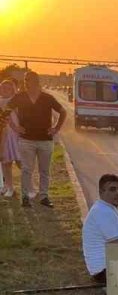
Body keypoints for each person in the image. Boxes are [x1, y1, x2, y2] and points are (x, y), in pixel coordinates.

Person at [10, 70, 66, 207]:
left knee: (44, 170)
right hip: (26, 140)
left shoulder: (47, 98)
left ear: (36, 81)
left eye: (29, 79)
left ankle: (44, 196)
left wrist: (56, 128)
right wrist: (15, 127)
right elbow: (5, 111)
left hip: (45, 140)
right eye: (25, 80)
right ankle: (25, 197)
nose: (26, 82)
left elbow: (63, 111)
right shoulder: (20, 97)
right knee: (26, 170)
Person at [0, 78, 20, 198]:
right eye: (3, 88)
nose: (5, 90)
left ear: (13, 90)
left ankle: (29, 187)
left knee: (21, 162)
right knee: (5, 162)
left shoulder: (16, 101)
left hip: (15, 134)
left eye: (8, 88)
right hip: (3, 135)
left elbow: (21, 117)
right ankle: (9, 187)